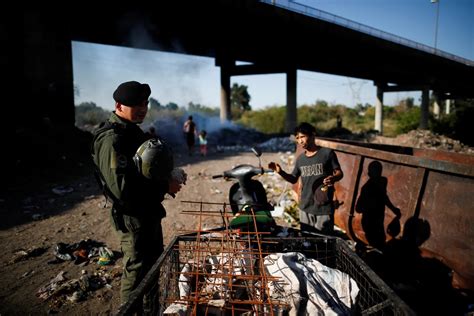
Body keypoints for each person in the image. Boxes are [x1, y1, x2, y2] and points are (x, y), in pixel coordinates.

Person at [91, 81, 182, 311]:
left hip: (147, 212)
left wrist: (168, 174)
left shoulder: (133, 132)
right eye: (136, 104)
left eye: (145, 103)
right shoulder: (113, 139)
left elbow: (147, 170)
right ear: (119, 105)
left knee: (152, 270)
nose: (143, 108)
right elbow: (121, 190)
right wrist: (164, 188)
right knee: (137, 271)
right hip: (133, 218)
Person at [268, 122, 343, 235]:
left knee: (324, 242)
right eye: (297, 138)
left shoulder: (327, 153)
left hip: (323, 207)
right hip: (305, 207)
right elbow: (293, 178)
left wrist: (333, 178)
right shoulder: (301, 159)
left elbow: (339, 173)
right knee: (307, 241)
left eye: (302, 136)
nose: (300, 141)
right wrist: (281, 172)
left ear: (313, 135)